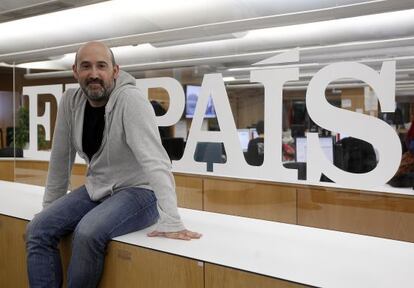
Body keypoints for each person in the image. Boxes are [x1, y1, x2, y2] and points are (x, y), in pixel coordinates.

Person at [25, 41, 201, 288]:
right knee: (37, 229)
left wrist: (171, 220)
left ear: (115, 71)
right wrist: (50, 211)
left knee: (87, 233)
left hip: (139, 191)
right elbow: (60, 159)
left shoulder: (130, 100)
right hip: (98, 189)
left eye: (101, 66)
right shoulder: (70, 101)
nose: (94, 73)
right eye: (86, 66)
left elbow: (156, 161)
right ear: (75, 72)